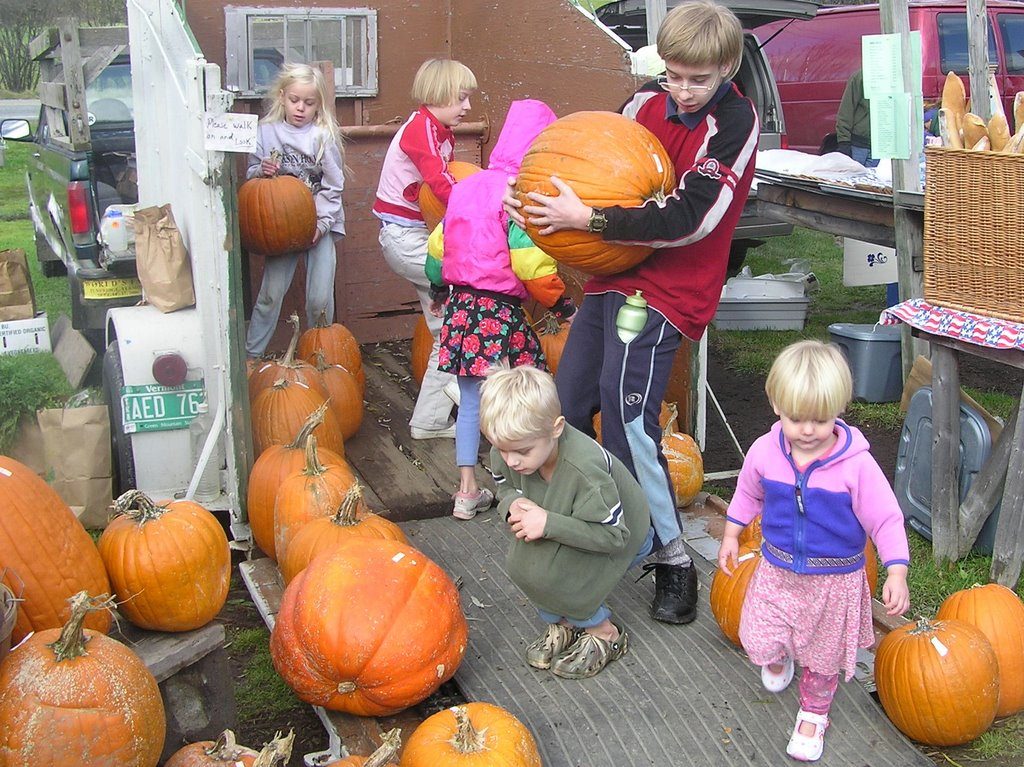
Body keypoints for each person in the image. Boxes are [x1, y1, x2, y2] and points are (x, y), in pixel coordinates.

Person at [506, 0, 759, 625]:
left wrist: (588, 220)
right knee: (565, 403)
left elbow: (691, 217)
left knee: (627, 417)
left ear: (727, 67)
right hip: (612, 276)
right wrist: (540, 217)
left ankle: (671, 556)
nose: (682, 88)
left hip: (671, 288)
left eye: (697, 78)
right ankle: (593, 524)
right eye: (672, 73)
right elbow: (588, 169)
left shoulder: (732, 122)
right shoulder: (644, 103)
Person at [717, 340, 910, 762]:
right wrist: (731, 534)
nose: (807, 430)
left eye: (820, 420)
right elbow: (747, 495)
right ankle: (778, 656)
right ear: (776, 405)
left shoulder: (856, 466)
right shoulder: (765, 453)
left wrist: (896, 569)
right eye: (796, 418)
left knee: (822, 657)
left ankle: (813, 714)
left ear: (840, 408)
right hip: (777, 568)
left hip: (833, 580)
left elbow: (885, 517)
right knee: (757, 634)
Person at [425, 99, 577, 520]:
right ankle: (532, 486)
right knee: (530, 394)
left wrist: (440, 287)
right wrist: (563, 307)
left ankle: (466, 491)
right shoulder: (520, 195)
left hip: (461, 307)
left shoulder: (469, 185)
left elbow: (438, 248)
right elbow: (531, 265)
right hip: (498, 312)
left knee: (473, 401)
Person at [480, 365, 654, 679]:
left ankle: (604, 632)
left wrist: (549, 524)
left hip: (621, 533)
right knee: (523, 565)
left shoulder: (584, 472)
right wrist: (510, 502)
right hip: (563, 519)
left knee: (559, 575)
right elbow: (503, 487)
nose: (511, 461)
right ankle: (564, 623)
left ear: (557, 428)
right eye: (502, 449)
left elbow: (614, 536)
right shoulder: (509, 450)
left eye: (521, 451)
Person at [373, 59, 477, 440]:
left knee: (448, 328)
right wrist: (480, 205)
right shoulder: (421, 131)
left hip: (420, 238)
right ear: (439, 94)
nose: (467, 107)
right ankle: (470, 394)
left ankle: (430, 421)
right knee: (472, 304)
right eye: (461, 98)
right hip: (407, 241)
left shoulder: (440, 130)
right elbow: (441, 183)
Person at [246, 63, 345, 358]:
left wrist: (322, 225)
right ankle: (251, 359)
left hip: (319, 224)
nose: (301, 108)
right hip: (281, 226)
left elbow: (333, 185)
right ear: (281, 97)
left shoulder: (322, 136)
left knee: (319, 300)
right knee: (269, 295)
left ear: (319, 105)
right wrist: (260, 170)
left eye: (309, 102)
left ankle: (320, 360)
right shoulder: (265, 133)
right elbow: (251, 177)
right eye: (294, 100)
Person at [835, 69, 879, 168]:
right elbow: (846, 110)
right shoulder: (860, 77)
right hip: (859, 144)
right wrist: (844, 142)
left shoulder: (894, 78)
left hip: (881, 146)